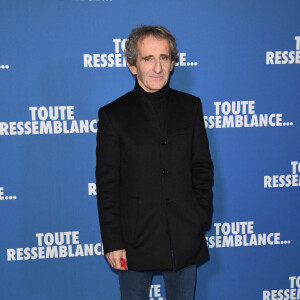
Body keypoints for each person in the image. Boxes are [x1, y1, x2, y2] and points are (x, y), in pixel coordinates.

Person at [95, 25, 214, 300]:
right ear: (132, 65)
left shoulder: (190, 106)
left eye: (164, 57)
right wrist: (112, 242)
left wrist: (199, 216)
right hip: (135, 237)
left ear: (173, 62)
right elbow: (108, 184)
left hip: (185, 233)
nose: (158, 67)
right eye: (148, 58)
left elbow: (202, 168)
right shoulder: (113, 115)